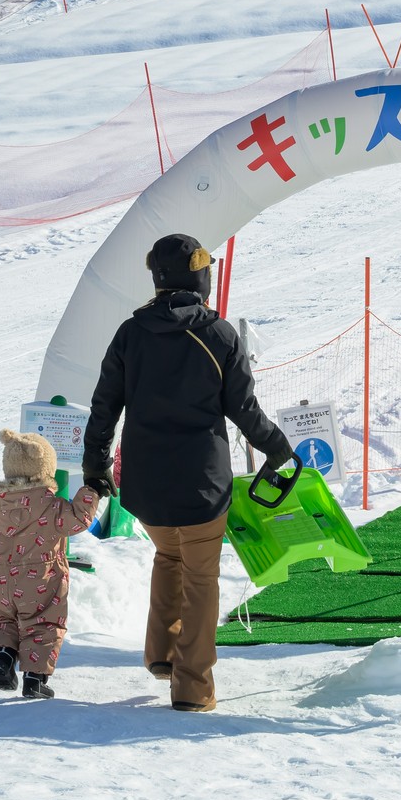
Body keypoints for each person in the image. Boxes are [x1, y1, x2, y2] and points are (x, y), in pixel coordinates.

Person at [81, 233, 292, 713]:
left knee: (168, 557)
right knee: (199, 576)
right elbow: (244, 409)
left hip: (147, 486)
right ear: (200, 274)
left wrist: (96, 465)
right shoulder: (218, 334)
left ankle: (161, 655)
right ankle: (193, 686)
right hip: (203, 483)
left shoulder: (130, 334)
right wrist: (278, 449)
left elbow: (103, 408)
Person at [0, 428, 105, 699]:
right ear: (45, 467)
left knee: (3, 621)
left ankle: (4, 656)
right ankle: (35, 679)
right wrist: (92, 490)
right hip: (40, 580)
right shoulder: (49, 505)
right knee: (43, 625)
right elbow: (78, 519)